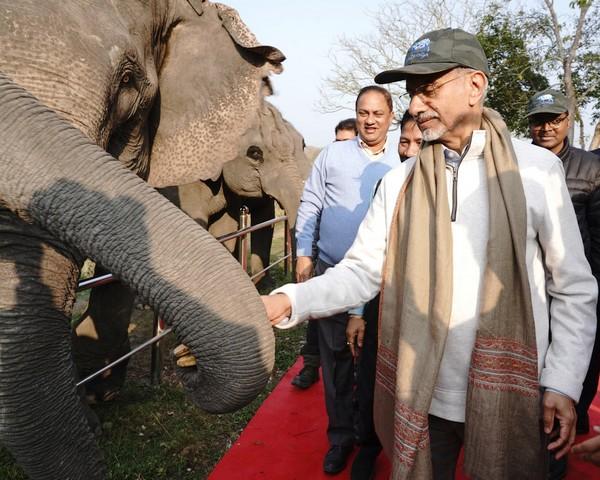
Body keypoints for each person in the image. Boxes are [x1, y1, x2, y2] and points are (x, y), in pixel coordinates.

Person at [263, 28, 597, 480]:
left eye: (429, 89)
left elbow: (573, 288)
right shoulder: (400, 182)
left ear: (474, 86)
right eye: (412, 92)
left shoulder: (536, 171)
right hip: (423, 395)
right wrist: (287, 300)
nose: (415, 105)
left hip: (515, 394)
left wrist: (562, 381)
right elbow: (362, 271)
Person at [291, 86, 398, 474]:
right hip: (333, 272)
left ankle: (373, 438)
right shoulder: (332, 155)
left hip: (385, 282)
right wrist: (304, 252)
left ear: (391, 116)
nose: (370, 120)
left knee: (376, 364)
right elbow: (311, 202)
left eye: (378, 113)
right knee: (336, 360)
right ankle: (340, 438)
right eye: (363, 112)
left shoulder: (405, 158)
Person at [528, 88, 600, 438]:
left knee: (574, 369)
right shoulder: (518, 164)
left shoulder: (591, 167)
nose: (547, 129)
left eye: (554, 120)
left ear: (568, 121)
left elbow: (599, 237)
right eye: (539, 121)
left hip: (575, 286)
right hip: (531, 289)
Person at [291, 118, 358, 390]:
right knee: (319, 314)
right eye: (337, 142)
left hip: (359, 263)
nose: (340, 147)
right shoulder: (327, 164)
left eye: (347, 142)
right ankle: (311, 363)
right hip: (325, 254)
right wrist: (305, 252)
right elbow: (310, 205)